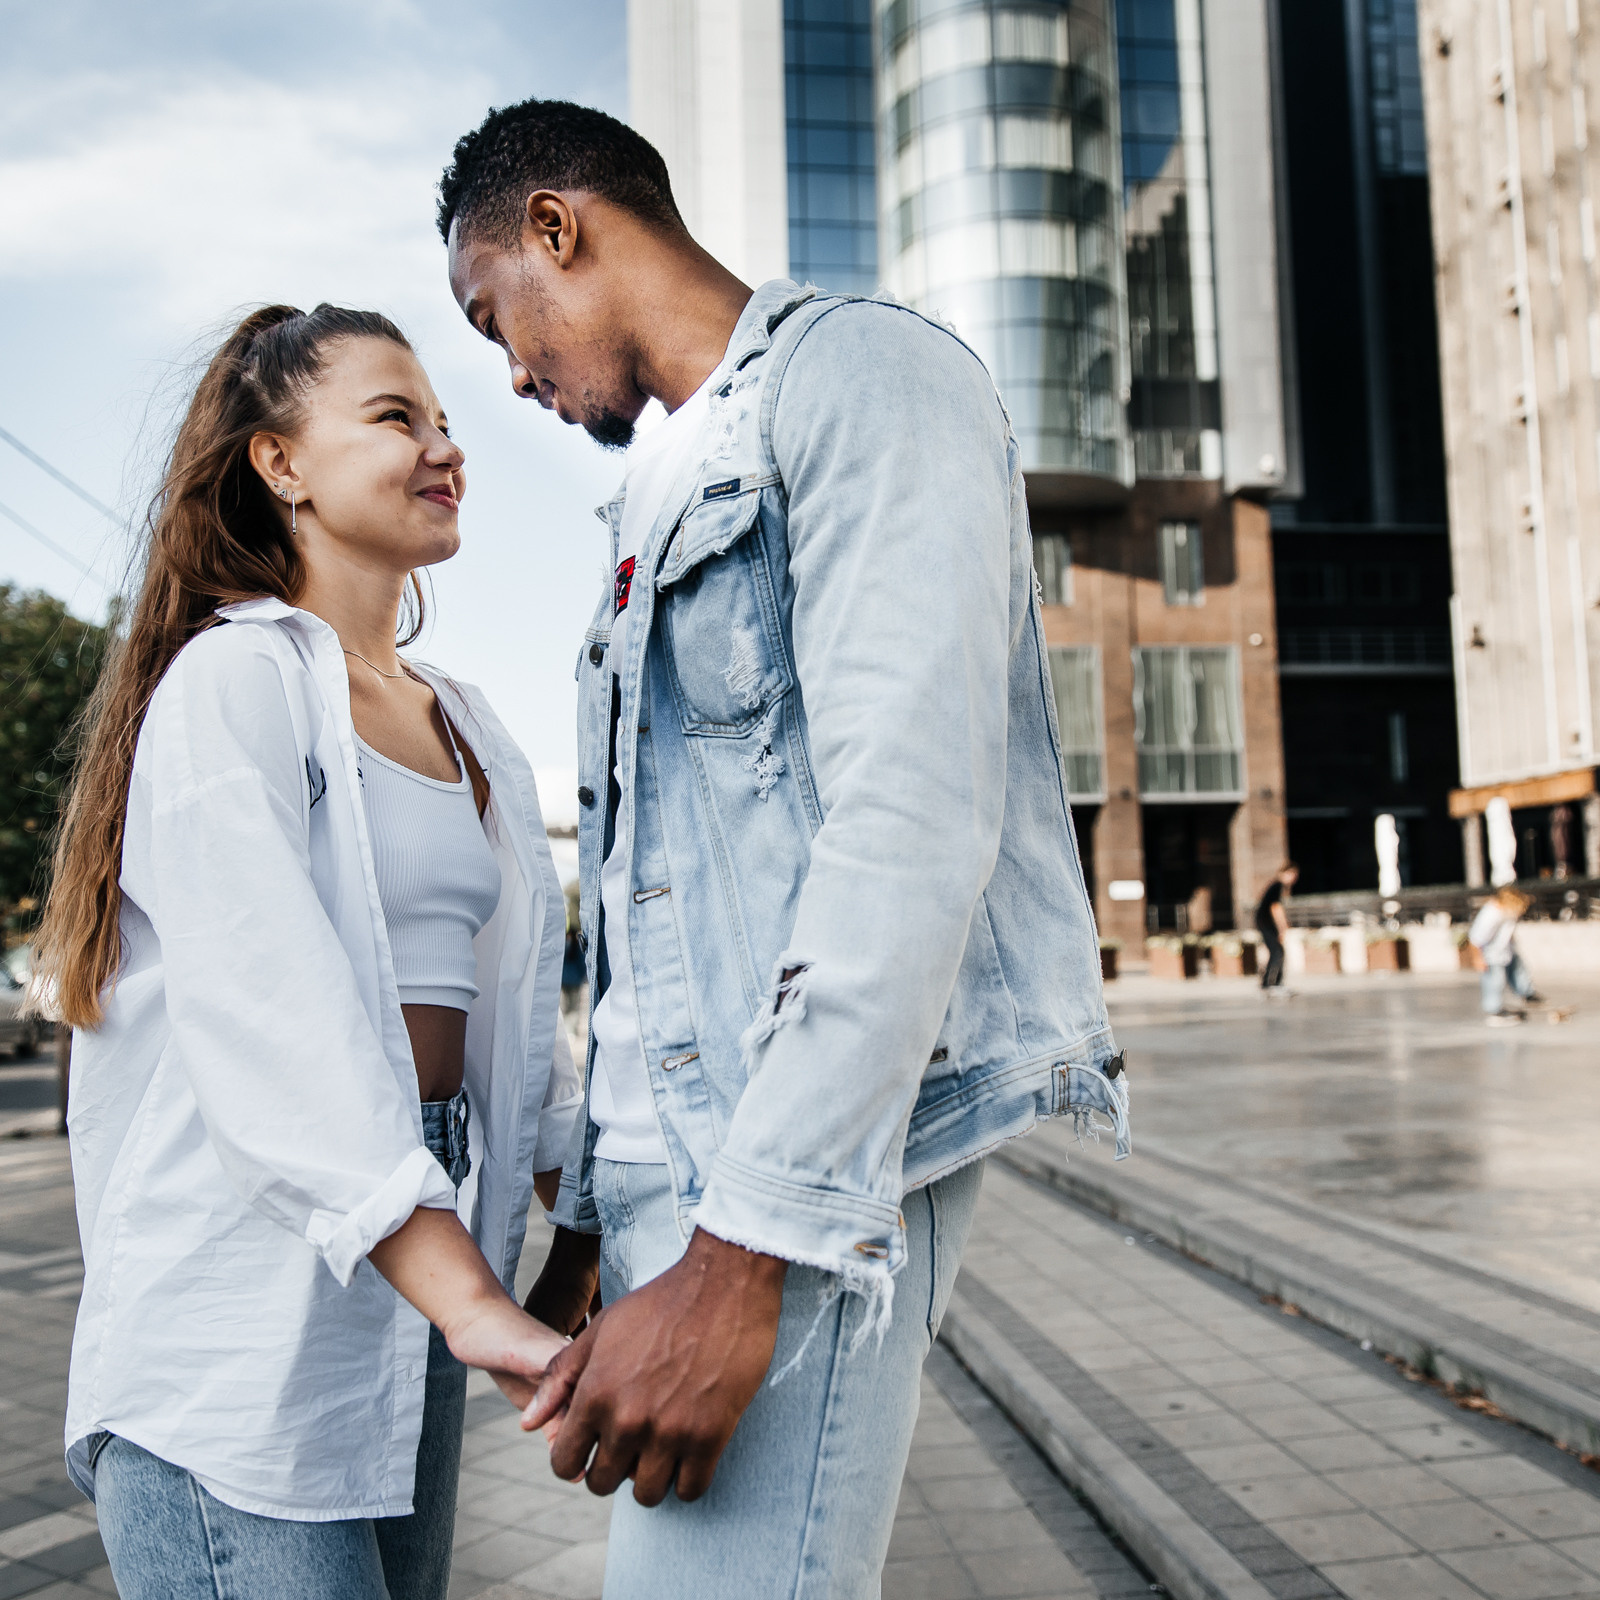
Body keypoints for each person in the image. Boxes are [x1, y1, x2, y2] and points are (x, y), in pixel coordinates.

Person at [439, 101, 1127, 1598]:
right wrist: (583, 1227)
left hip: (786, 1190)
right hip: (672, 1192)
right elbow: (644, 910)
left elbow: (912, 818)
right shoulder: (660, 491)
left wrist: (742, 1258)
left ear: (559, 227)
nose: (511, 375)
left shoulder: (870, 379)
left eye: (498, 317)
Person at [30, 304, 588, 1600]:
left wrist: (589, 1229)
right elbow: (267, 1022)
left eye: (447, 421)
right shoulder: (235, 682)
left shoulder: (469, 723)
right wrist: (474, 1299)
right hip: (236, 1308)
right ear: (279, 464)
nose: (446, 446)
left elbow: (519, 1021)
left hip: (416, 1252)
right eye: (397, 417)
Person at [1469, 887, 1542, 1025]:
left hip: (1505, 950)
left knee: (1518, 970)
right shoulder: (1491, 914)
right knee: (1495, 981)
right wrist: (1478, 958)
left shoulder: (1505, 911)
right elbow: (1475, 938)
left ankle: (1527, 994)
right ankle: (1494, 1011)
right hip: (1491, 955)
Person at [1255, 863, 1300, 996]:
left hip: (1266, 923)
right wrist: (1283, 926)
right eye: (1292, 875)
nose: (1294, 878)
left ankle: (1271, 983)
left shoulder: (1277, 886)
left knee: (1277, 951)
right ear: (1284, 873)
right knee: (1277, 952)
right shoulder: (1278, 885)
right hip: (1266, 923)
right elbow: (1275, 907)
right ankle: (1271, 984)